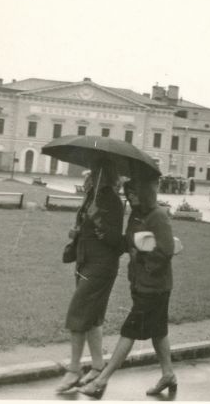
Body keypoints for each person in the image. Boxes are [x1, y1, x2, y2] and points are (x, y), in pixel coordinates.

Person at [78, 177, 177, 399]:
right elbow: (125, 242)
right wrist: (100, 225)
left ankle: (101, 381)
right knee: (158, 332)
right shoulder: (137, 215)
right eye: (128, 192)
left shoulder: (158, 216)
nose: (130, 196)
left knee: (128, 331)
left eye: (134, 192)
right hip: (140, 284)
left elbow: (166, 251)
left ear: (146, 192)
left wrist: (141, 255)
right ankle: (168, 374)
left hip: (155, 287)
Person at [56, 161, 124, 394]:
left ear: (106, 176)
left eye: (95, 173)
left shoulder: (113, 201)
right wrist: (77, 231)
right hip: (85, 261)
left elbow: (116, 240)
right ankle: (97, 366)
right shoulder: (91, 197)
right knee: (93, 317)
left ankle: (74, 370)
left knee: (77, 312)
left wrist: (97, 222)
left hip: (101, 265)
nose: (89, 177)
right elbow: (86, 226)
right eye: (91, 173)